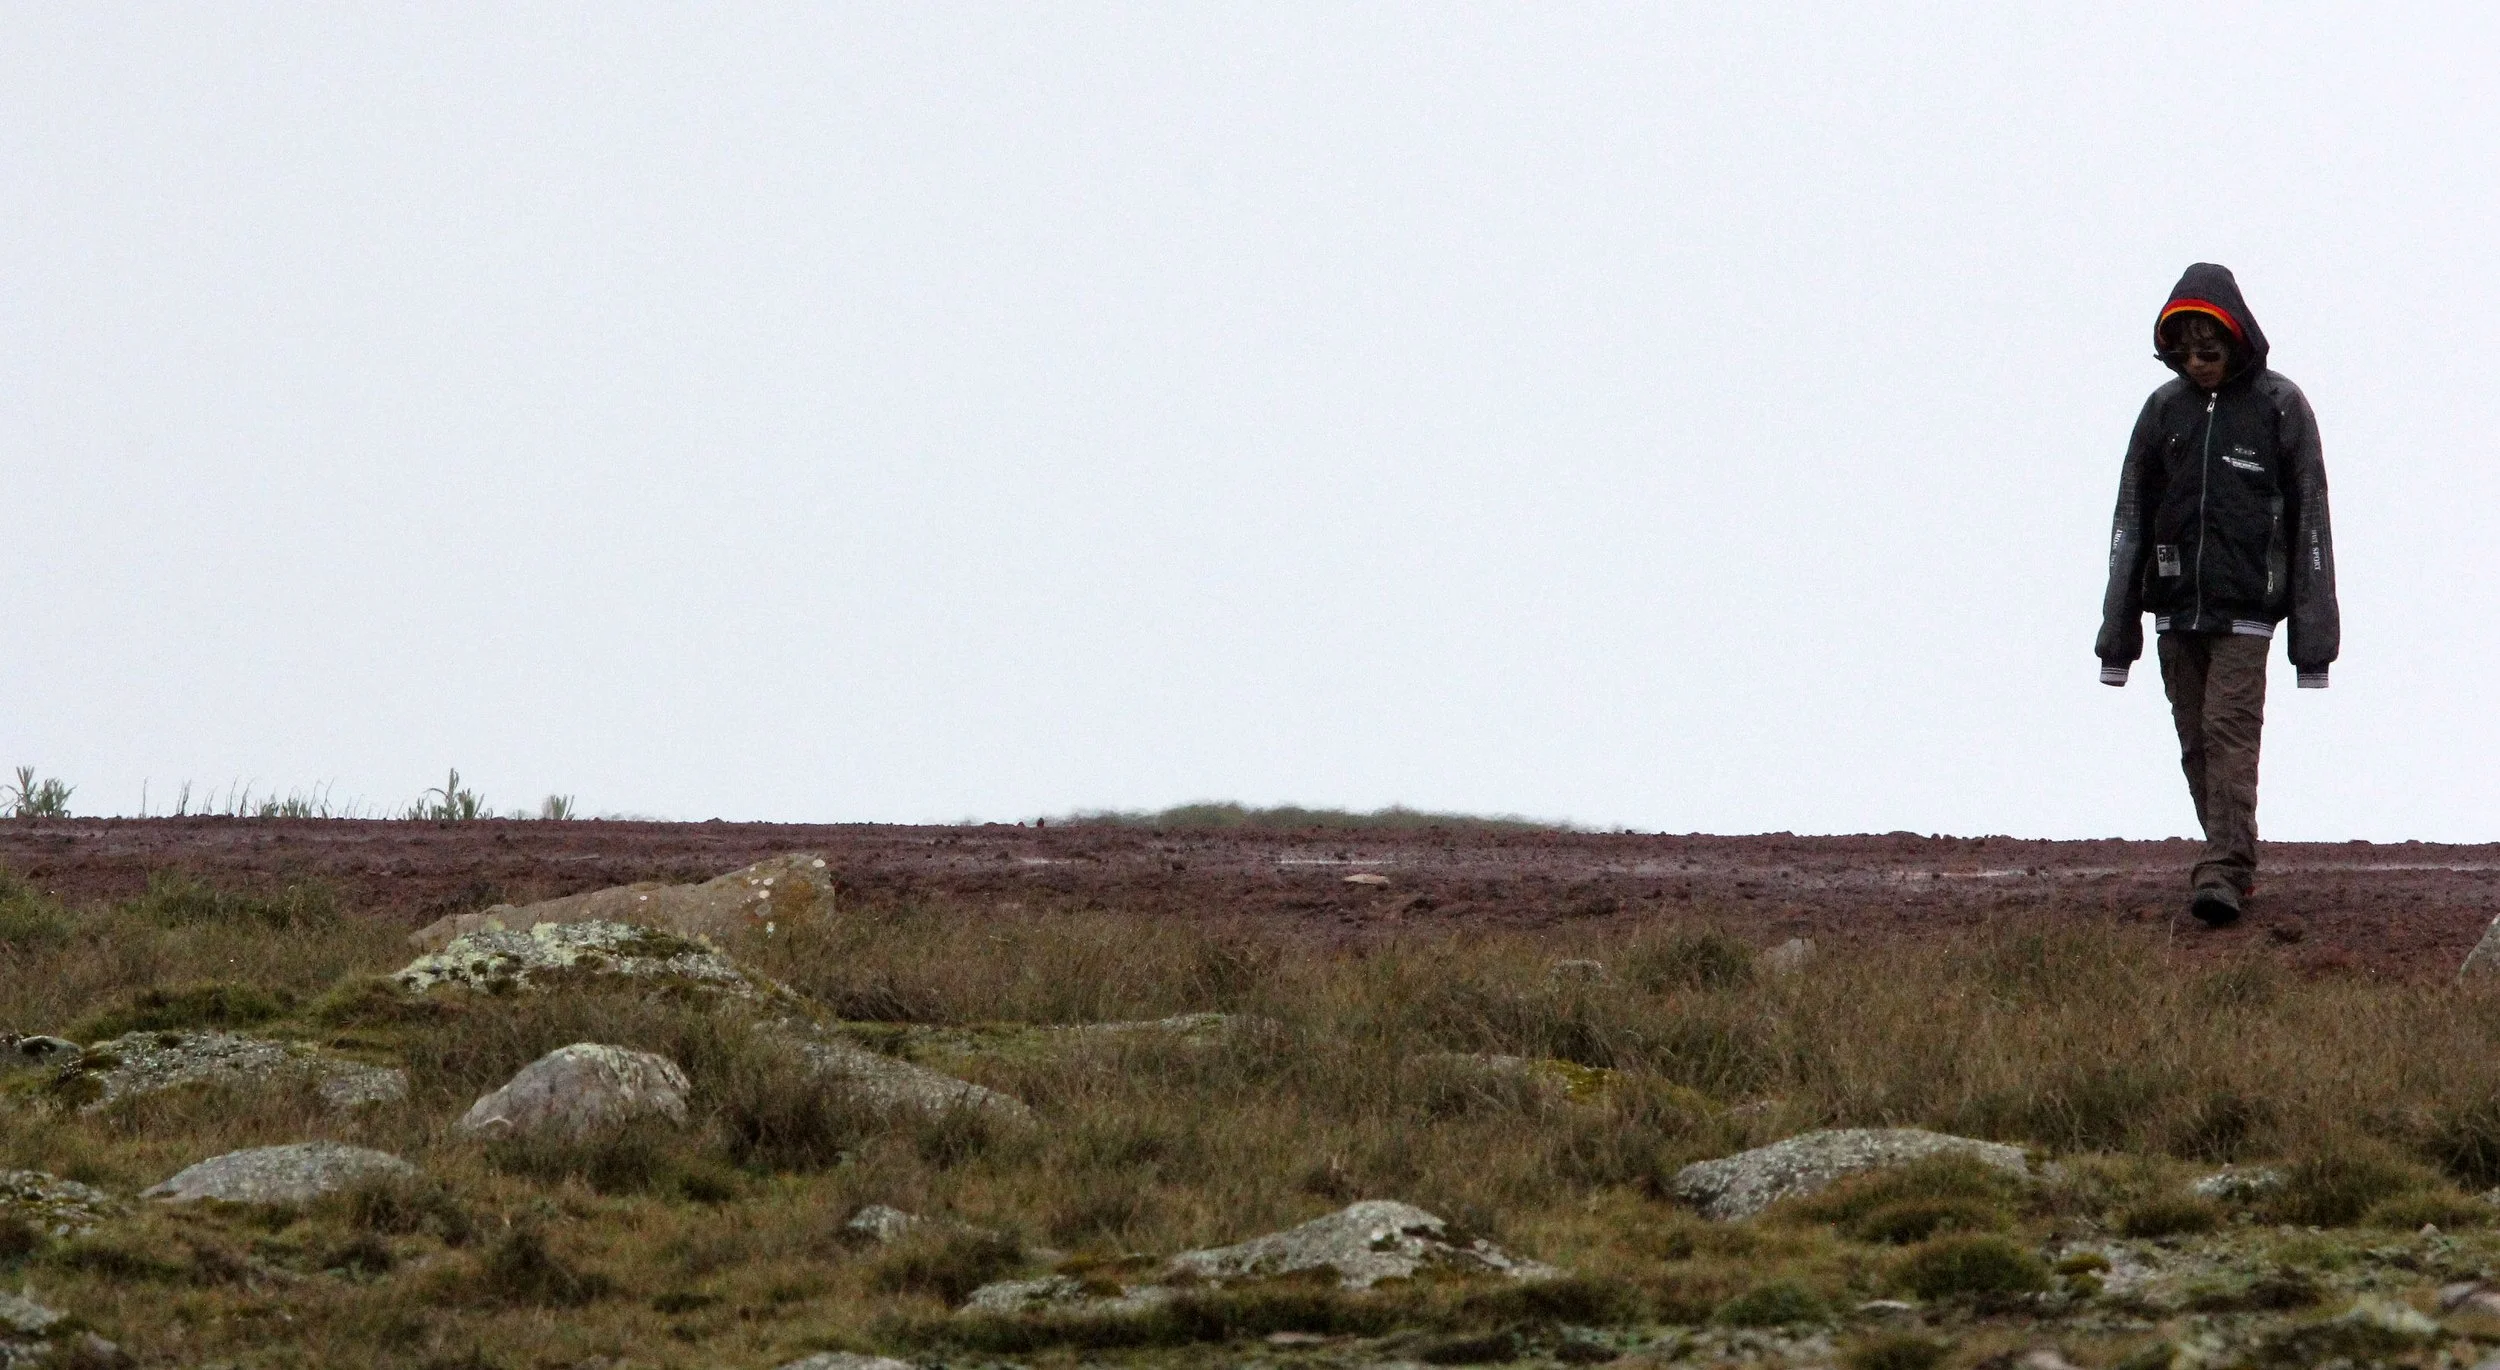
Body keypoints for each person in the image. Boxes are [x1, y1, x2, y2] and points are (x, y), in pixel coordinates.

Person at [2096, 263, 2338, 927]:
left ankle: (2226, 871)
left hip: (2246, 615)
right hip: (2175, 610)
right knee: (2196, 742)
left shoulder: (2278, 407)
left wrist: (2313, 643)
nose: (2197, 362)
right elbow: (2130, 520)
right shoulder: (2162, 412)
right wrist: (2118, 637)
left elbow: (2311, 517)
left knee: (2230, 734)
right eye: (2184, 351)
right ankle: (2228, 855)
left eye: (2210, 350)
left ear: (2237, 344)